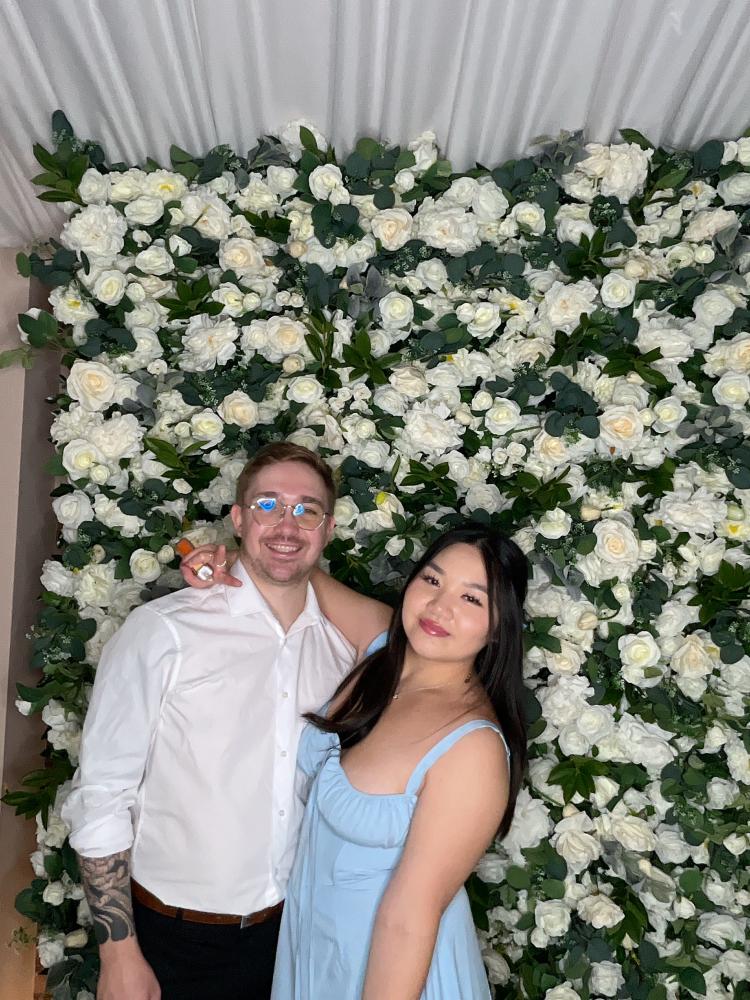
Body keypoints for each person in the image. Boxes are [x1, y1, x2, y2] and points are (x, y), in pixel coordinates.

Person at [61, 442, 392, 1000]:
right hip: (174, 940)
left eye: (306, 510)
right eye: (267, 505)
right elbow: (102, 796)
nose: (287, 524)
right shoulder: (163, 631)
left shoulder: (343, 653)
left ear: (328, 529)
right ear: (238, 519)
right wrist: (118, 954)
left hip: (295, 936)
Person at [186, 522, 529, 999]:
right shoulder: (383, 650)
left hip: (391, 977)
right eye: (432, 580)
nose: (439, 606)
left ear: (498, 628)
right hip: (315, 953)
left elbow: (409, 919)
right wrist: (226, 560)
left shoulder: (472, 748)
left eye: (472, 599)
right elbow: (298, 569)